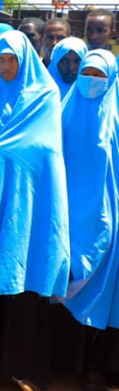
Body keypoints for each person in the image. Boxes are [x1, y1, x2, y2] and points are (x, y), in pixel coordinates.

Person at [0, 30, 70, 391]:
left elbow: (48, 153)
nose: (5, 66)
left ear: (26, 60)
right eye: (0, 59)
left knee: (21, 290)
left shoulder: (46, 96)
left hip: (28, 206)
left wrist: (2, 152)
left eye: (12, 60)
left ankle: (17, 367)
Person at [60, 49, 119, 391]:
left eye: (100, 76)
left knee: (104, 295)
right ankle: (67, 364)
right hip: (69, 220)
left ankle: (96, 366)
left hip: (109, 219)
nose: (91, 82)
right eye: (88, 74)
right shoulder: (64, 111)